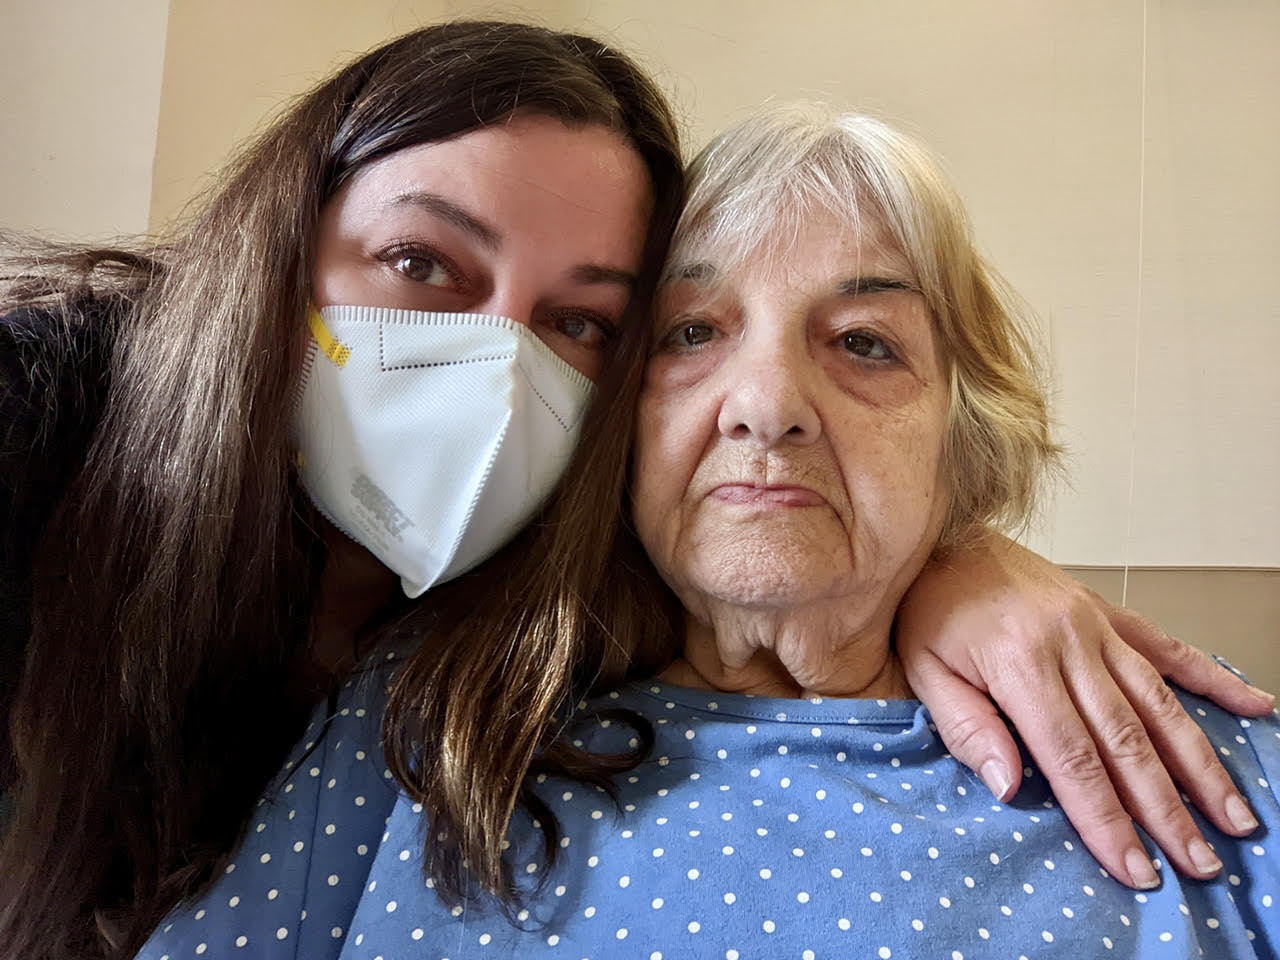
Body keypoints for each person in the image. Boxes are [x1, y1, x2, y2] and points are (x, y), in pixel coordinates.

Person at [0, 23, 1269, 960]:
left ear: (965, 434)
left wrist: (948, 560)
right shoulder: (422, 719)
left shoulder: (1194, 755)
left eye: (864, 343)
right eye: (690, 332)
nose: (764, 406)